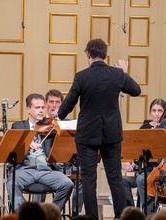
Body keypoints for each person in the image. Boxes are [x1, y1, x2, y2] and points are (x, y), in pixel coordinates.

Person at [57, 38, 141, 219]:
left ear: (88, 55)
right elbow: (136, 90)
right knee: (115, 178)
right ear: (106, 55)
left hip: (87, 136)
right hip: (111, 134)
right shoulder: (117, 74)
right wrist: (124, 74)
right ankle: (121, 217)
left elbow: (66, 108)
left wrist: (59, 114)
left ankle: (91, 218)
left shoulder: (82, 76)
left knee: (89, 180)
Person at [6, 93, 74, 213]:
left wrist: (59, 126)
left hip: (46, 170)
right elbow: (11, 148)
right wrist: (26, 143)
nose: (41, 111)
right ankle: (25, 215)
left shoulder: (50, 126)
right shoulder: (18, 126)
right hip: (24, 169)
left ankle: (50, 214)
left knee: (67, 184)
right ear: (28, 109)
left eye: (43, 107)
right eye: (37, 108)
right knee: (11, 183)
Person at [123, 98, 166, 215]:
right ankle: (132, 214)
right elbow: (136, 152)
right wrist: (130, 162)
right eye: (154, 110)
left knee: (141, 179)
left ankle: (148, 216)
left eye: (160, 111)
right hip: (144, 170)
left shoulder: (164, 128)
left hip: (160, 172)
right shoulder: (144, 127)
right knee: (122, 180)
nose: (156, 114)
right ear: (150, 112)